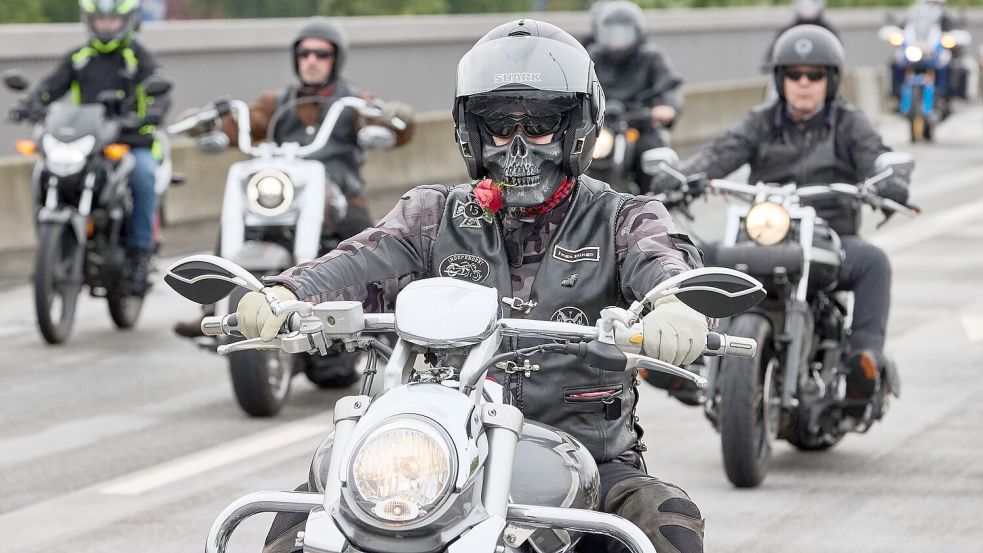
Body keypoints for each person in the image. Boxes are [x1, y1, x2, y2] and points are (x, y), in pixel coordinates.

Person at [239, 19, 709, 553]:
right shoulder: (435, 215)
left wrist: (677, 304)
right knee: (307, 516)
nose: (518, 145)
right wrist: (287, 293)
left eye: (539, 125)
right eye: (500, 126)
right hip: (439, 453)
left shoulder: (621, 217)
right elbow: (359, 260)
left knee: (665, 520)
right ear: (474, 132)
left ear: (577, 126)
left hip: (587, 458)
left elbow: (665, 258)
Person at [651, 25, 912, 402]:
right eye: (794, 73)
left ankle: (864, 362)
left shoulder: (849, 123)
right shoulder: (761, 121)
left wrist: (888, 179)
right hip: (765, 235)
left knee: (874, 262)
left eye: (814, 74)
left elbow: (874, 154)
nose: (803, 82)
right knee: (696, 256)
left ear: (831, 79)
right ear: (780, 78)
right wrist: (680, 176)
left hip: (831, 236)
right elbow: (722, 153)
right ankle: (683, 353)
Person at [172, 17, 414, 338]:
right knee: (237, 221)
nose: (312, 61)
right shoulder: (277, 102)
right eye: (305, 54)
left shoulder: (353, 102)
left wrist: (397, 120)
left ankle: (381, 320)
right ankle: (214, 305)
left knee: (366, 241)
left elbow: (389, 126)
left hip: (338, 197)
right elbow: (247, 123)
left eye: (321, 54)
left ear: (335, 59)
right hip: (288, 194)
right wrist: (209, 126)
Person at [9, 0, 171, 296]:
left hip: (129, 142)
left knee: (143, 177)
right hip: (87, 144)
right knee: (44, 171)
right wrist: (29, 105)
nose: (106, 26)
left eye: (112, 21)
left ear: (128, 22)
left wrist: (151, 113)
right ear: (89, 21)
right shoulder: (79, 58)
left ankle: (138, 255)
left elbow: (159, 88)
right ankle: (52, 254)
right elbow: (49, 89)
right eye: (100, 20)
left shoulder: (137, 58)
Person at [587, 0, 683, 193]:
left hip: (641, 125)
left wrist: (668, 108)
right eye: (611, 33)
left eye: (624, 33)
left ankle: (656, 203)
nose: (617, 40)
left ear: (638, 32)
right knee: (577, 155)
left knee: (650, 155)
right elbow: (578, 84)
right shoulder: (594, 56)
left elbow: (670, 88)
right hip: (605, 127)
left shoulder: (651, 57)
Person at [761, 0, 840, 73]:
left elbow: (839, 60)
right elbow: (769, 60)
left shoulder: (829, 32)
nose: (804, 81)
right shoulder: (786, 32)